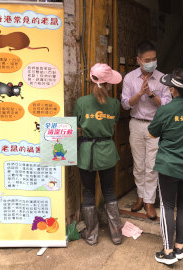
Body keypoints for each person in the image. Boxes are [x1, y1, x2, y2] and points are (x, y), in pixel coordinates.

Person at [148, 68, 183, 265]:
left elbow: (152, 134)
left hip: (169, 167)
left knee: (167, 206)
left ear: (173, 90)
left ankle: (168, 251)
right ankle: (180, 246)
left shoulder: (165, 110)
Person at [121, 41, 171, 220]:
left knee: (151, 165)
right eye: (147, 59)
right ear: (139, 60)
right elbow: (126, 104)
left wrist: (151, 94)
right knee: (138, 163)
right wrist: (140, 94)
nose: (152, 62)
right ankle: (140, 196)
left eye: (154, 59)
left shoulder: (162, 78)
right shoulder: (129, 78)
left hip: (155, 125)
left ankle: (149, 201)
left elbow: (167, 104)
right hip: (136, 123)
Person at [74, 63, 123, 245]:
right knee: (109, 190)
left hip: (87, 153)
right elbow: (115, 122)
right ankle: (116, 234)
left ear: (91, 80)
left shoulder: (81, 103)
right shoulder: (115, 104)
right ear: (109, 83)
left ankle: (92, 235)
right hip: (107, 152)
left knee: (88, 192)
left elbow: (77, 124)